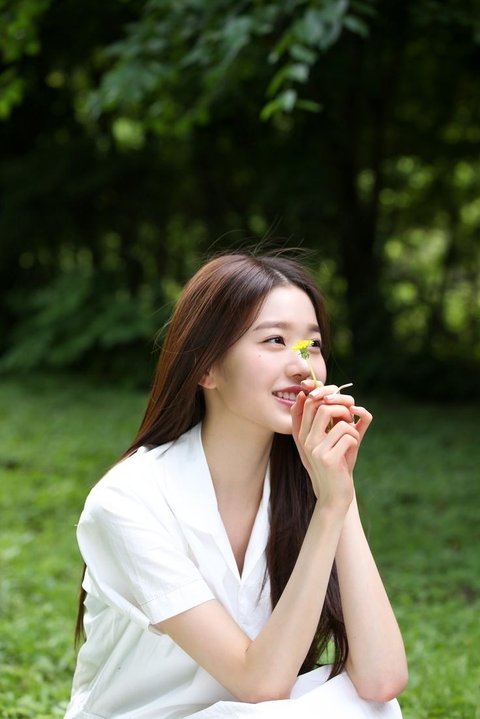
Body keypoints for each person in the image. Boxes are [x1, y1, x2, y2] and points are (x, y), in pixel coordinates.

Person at [65, 252, 408, 719]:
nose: (302, 367)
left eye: (311, 346)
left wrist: (338, 493)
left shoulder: (306, 483)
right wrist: (329, 507)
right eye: (274, 340)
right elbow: (261, 685)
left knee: (369, 707)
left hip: (252, 711)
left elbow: (382, 680)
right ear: (206, 368)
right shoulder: (127, 500)